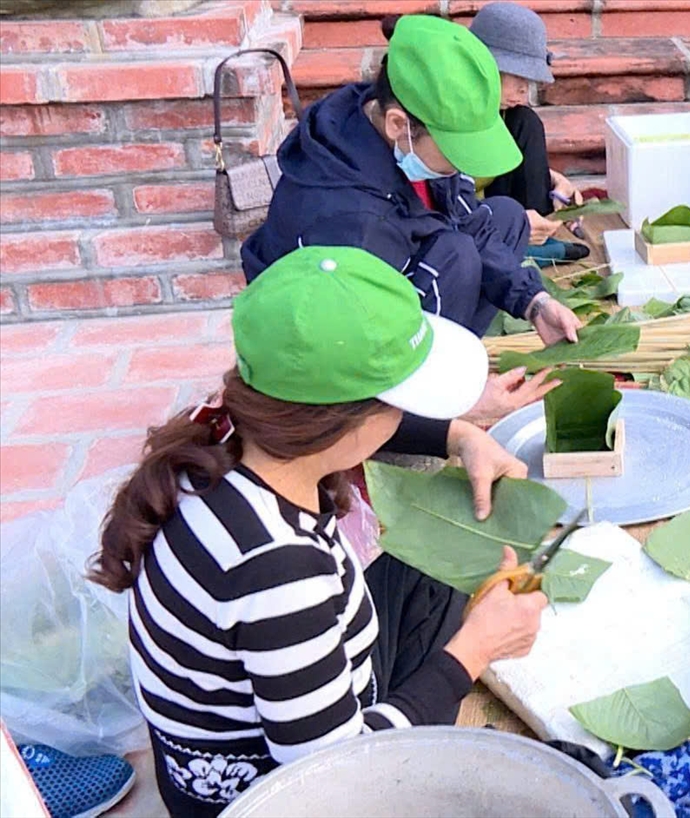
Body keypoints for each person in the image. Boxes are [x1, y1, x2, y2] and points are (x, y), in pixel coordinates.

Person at [92, 246, 550, 818]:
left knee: (439, 570)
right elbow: (340, 778)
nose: (402, 416)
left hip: (260, 733)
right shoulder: (276, 566)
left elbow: (361, 417)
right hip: (272, 796)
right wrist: (477, 648)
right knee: (464, 654)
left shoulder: (229, 431)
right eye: (400, 401)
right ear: (346, 421)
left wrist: (458, 437)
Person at [240, 14, 581, 345]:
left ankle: (457, 349)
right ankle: (432, 390)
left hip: (395, 282)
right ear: (397, 125)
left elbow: (468, 220)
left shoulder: (402, 125)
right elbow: (354, 345)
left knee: (504, 216)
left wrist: (534, 302)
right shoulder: (351, 220)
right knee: (457, 253)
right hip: (332, 353)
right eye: (455, 151)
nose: (462, 165)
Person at [464, 2, 590, 265]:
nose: (525, 90)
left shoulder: (506, 115)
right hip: (462, 217)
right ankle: (520, 246)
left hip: (500, 204)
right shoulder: (449, 113)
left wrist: (554, 184)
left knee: (527, 121)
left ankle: (540, 233)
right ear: (484, 68)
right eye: (519, 78)